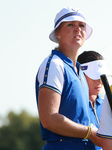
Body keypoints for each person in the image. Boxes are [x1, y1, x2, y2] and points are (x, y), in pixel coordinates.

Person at [35, 7, 101, 150]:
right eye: (70, 24)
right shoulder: (54, 64)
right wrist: (89, 133)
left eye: (81, 25)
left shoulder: (79, 70)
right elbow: (49, 119)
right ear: (57, 32)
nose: (77, 30)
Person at [78, 50, 112, 150]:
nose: (100, 82)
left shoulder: (107, 104)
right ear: (81, 75)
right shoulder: (73, 106)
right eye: (95, 76)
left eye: (102, 77)